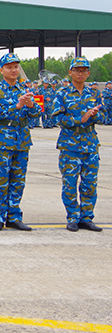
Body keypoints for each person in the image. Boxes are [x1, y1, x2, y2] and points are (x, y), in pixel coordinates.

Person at [0, 53, 40, 231]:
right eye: (9, 67)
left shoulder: (23, 90)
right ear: (2, 70)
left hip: (22, 141)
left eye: (16, 67)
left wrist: (31, 105)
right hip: (3, 141)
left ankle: (14, 215)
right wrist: (16, 106)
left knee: (18, 180)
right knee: (2, 179)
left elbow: (37, 113)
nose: (13, 70)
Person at [52, 57, 104, 232]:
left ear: (88, 73)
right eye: (77, 70)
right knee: (70, 183)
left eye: (84, 70)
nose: (81, 73)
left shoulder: (95, 94)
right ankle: (73, 217)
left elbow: (102, 117)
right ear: (70, 72)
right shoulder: (62, 94)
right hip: (70, 145)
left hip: (90, 144)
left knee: (90, 183)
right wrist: (80, 119)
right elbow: (57, 118)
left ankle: (87, 217)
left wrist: (94, 115)